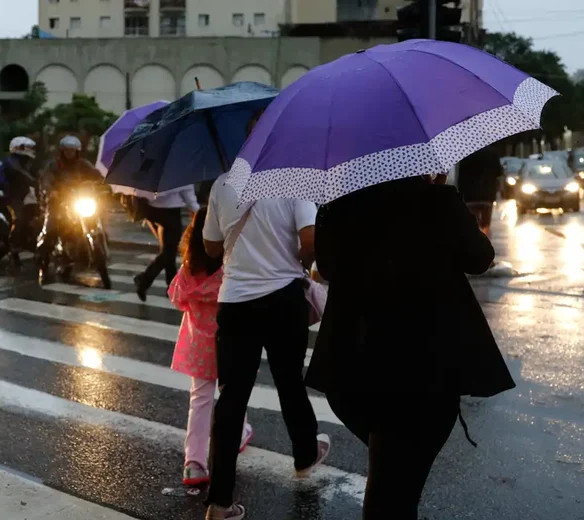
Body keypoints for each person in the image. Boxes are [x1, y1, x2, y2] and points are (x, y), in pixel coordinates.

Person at [305, 175, 516, 520]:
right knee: (395, 488)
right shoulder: (435, 200)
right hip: (425, 364)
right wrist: (447, 196)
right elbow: (479, 257)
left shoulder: (342, 203)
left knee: (391, 472)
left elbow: (326, 267)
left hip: (356, 360)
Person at [201, 125, 331, 519]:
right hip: (283, 301)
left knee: (231, 398)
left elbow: (209, 247)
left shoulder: (223, 183)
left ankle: (219, 501)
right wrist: (295, 260)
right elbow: (310, 240)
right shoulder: (296, 180)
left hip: (236, 302)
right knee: (290, 381)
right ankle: (305, 455)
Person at [168, 207, 253, 488]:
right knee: (233, 396)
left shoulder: (188, 271)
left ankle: (194, 463)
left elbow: (177, 298)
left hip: (197, 349)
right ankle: (238, 434)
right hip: (229, 344)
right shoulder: (229, 270)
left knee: (200, 401)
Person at [36, 135, 102, 269]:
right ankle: (42, 253)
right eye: (67, 150)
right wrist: (51, 191)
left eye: (72, 151)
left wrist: (104, 184)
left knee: (96, 217)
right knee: (52, 227)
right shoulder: (54, 165)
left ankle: (94, 250)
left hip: (77, 200)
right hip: (58, 202)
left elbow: (96, 175)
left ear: (77, 152)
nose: (69, 153)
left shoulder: (82, 164)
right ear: (62, 151)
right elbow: (46, 179)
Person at [133, 185, 199, 302]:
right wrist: (197, 211)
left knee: (169, 250)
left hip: (151, 210)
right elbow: (186, 189)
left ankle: (172, 286)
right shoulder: (178, 168)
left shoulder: (154, 167)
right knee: (169, 252)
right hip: (170, 212)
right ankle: (144, 279)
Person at [0, 136, 38, 271]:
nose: (31, 150)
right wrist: (6, 185)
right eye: (28, 147)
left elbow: (40, 177)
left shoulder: (30, 163)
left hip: (29, 195)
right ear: (19, 148)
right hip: (13, 197)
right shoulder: (9, 163)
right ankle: (13, 249)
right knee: (19, 219)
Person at [456, 145, 503, 237]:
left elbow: (461, 176)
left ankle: (474, 241)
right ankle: (485, 242)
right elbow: (499, 173)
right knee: (486, 222)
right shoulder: (492, 153)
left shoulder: (465, 154)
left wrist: (460, 193)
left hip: (470, 195)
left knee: (472, 222)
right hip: (488, 194)